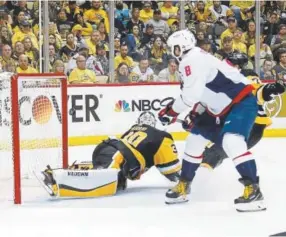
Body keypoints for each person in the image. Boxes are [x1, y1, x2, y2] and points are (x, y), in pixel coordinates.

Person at [158, 29, 265, 212]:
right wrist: (196, 113)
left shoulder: (191, 60)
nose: (171, 52)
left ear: (180, 47)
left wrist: (171, 111)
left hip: (240, 102)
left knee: (232, 141)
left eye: (173, 48)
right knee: (194, 140)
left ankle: (254, 190)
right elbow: (203, 94)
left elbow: (190, 96)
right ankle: (184, 185)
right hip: (218, 109)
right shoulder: (194, 58)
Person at [40, 112, 181, 198]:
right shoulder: (162, 137)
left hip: (106, 147)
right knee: (101, 183)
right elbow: (171, 172)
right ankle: (56, 180)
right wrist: (188, 176)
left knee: (114, 180)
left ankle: (62, 172)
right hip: (119, 156)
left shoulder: (132, 129)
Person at [187, 52, 285, 169]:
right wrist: (194, 117)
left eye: (233, 64)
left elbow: (257, 90)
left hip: (251, 127)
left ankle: (199, 182)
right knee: (208, 151)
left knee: (213, 154)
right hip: (238, 125)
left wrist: (271, 89)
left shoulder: (245, 77)